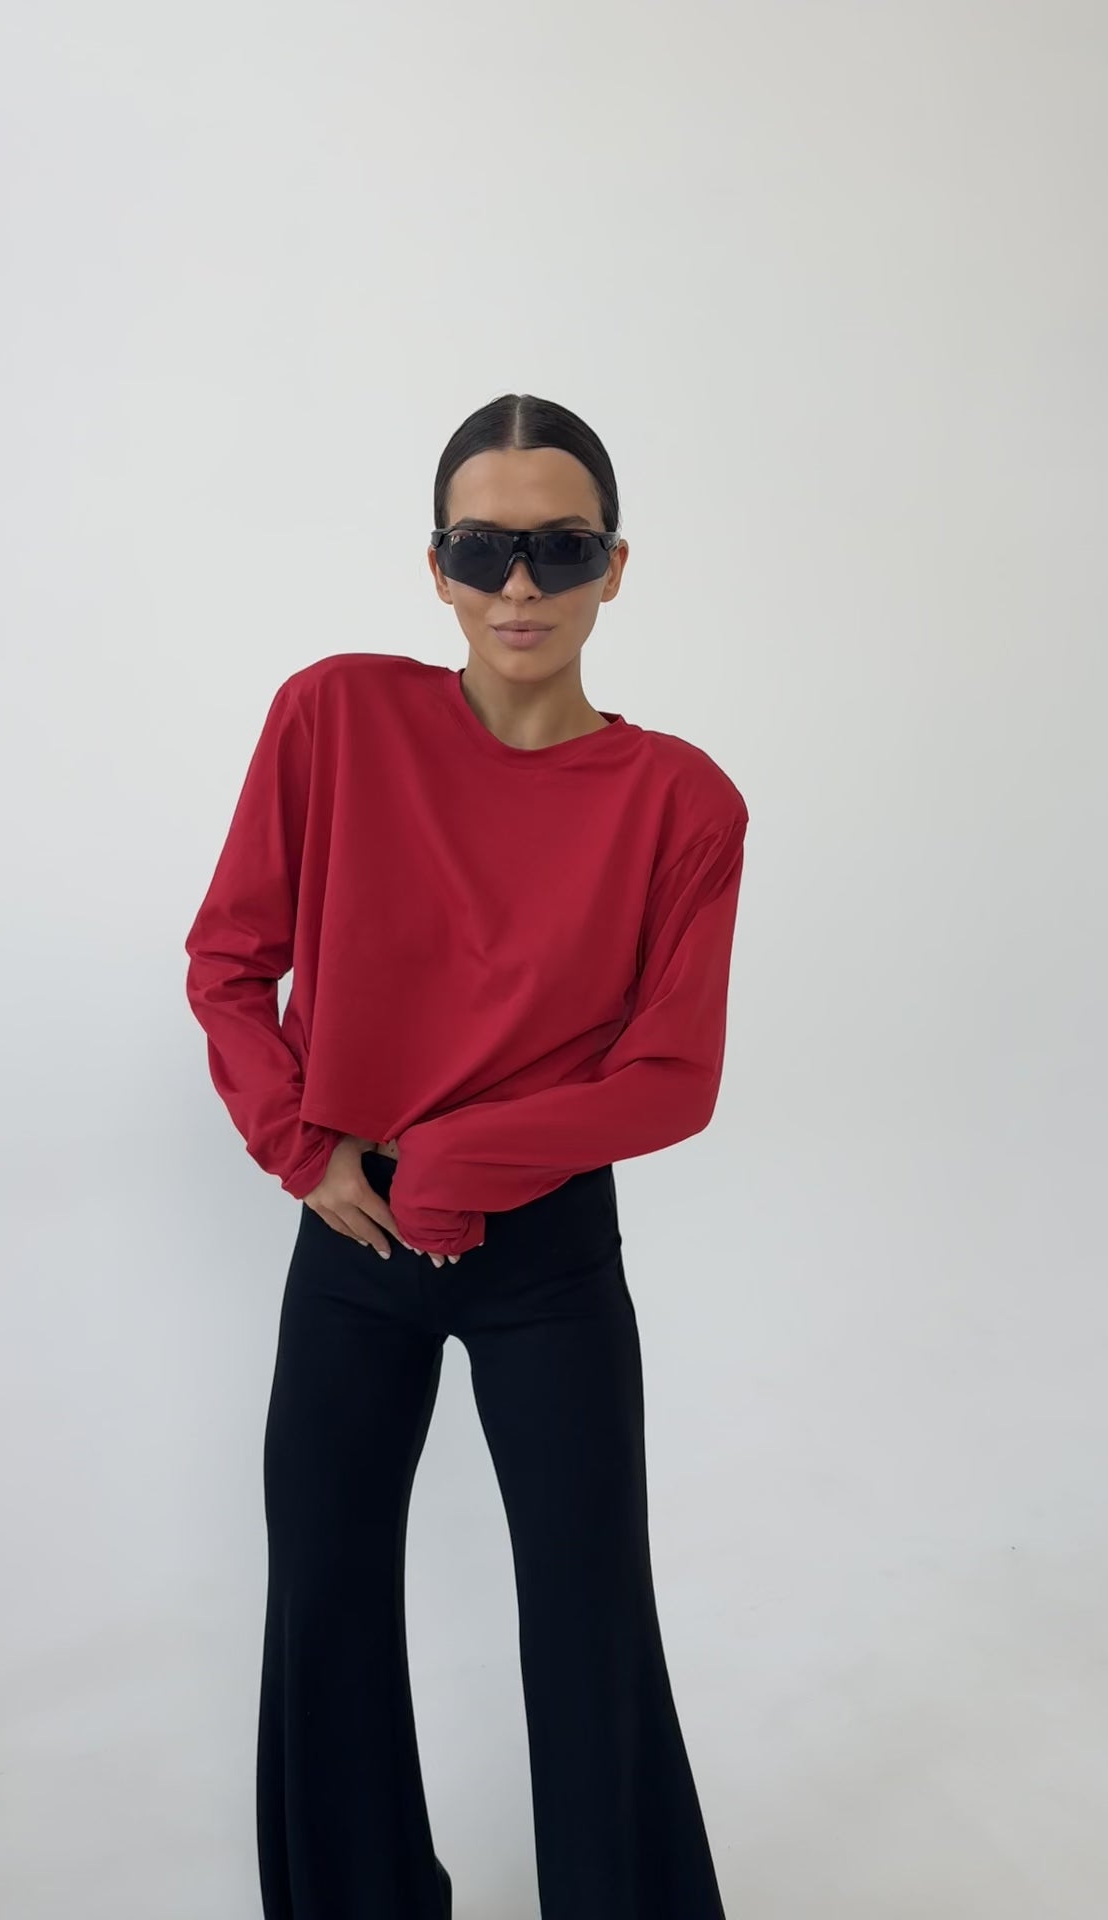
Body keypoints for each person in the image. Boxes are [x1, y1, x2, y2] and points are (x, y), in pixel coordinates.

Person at [183, 392, 748, 1919]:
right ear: (434, 566)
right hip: (349, 1231)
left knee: (589, 1620)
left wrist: (461, 1157)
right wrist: (305, 1150)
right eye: (483, 548)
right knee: (324, 1601)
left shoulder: (681, 801)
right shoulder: (334, 718)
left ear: (614, 566)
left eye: (557, 548)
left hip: (546, 1256)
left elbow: (673, 1078)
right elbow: (228, 963)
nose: (518, 584)